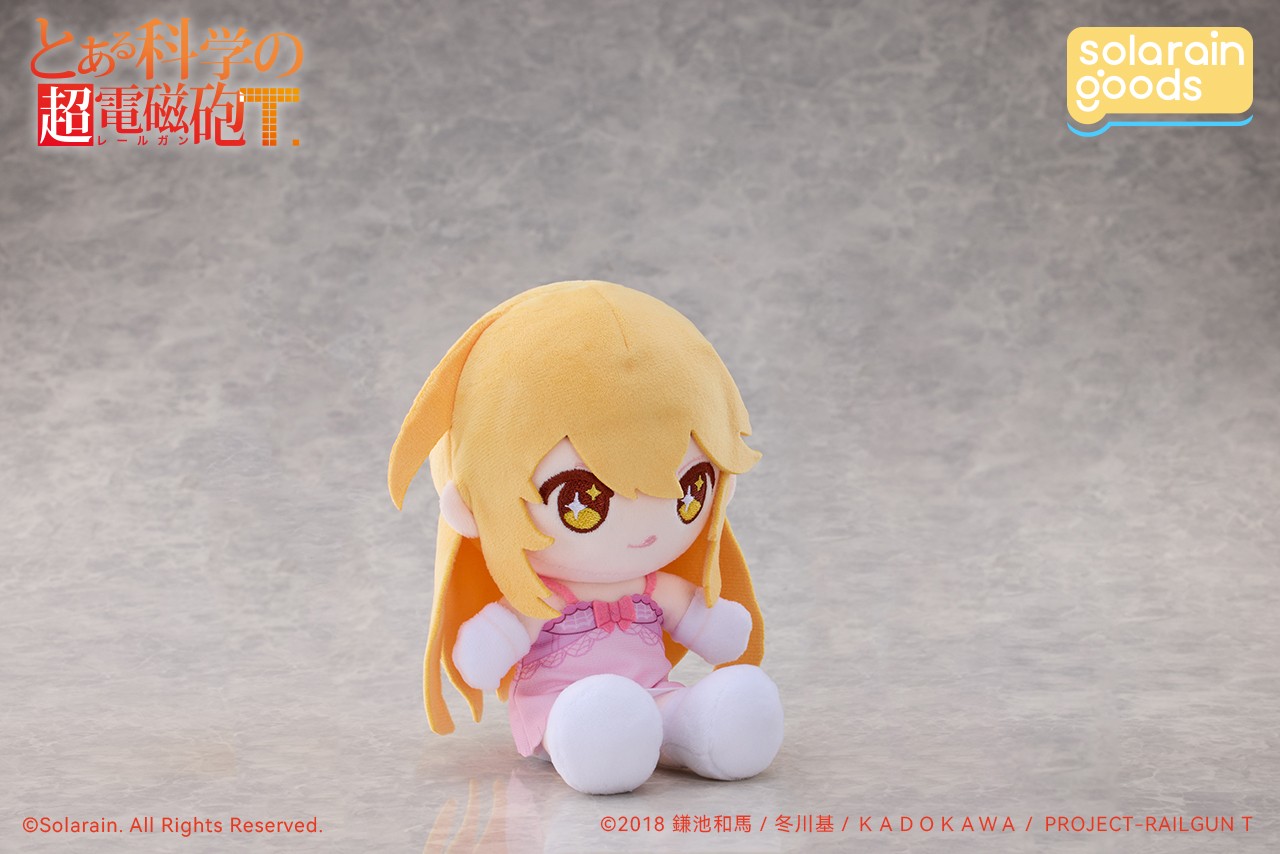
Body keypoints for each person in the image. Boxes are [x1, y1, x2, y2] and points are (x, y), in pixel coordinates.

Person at [388, 281, 784, 794]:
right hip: (560, 706)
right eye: (583, 501)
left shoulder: (655, 588)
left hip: (653, 691)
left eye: (689, 490)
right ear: (473, 505)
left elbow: (725, 635)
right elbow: (481, 659)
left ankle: (702, 728)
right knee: (598, 719)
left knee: (685, 710)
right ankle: (598, 738)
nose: (644, 522)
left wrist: (721, 630)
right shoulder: (543, 599)